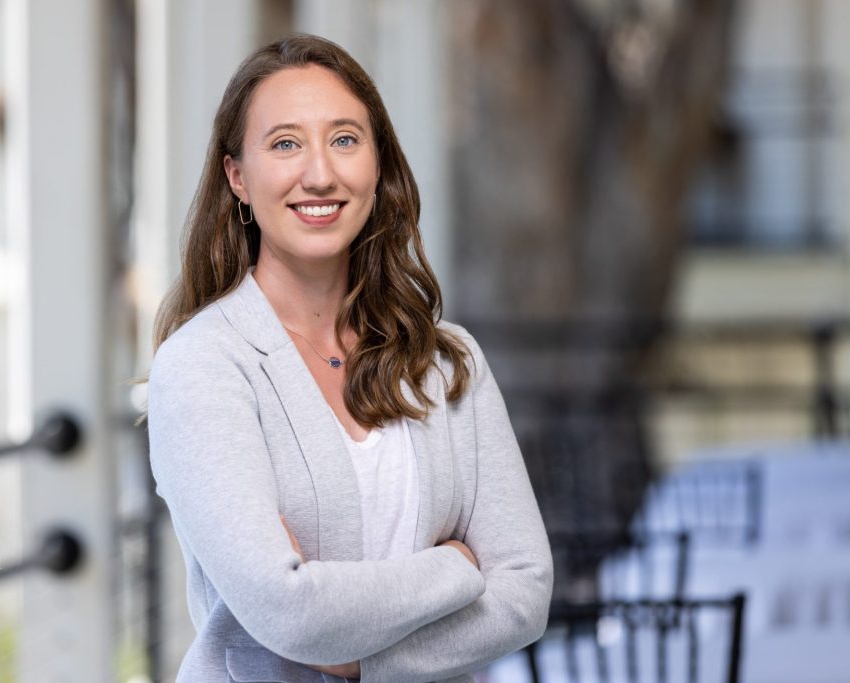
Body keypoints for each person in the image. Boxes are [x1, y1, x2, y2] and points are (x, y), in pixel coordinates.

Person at [146, 33, 553, 682]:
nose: (320, 173)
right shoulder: (202, 368)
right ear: (237, 177)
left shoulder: (447, 363)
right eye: (285, 143)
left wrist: (354, 654)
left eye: (344, 139)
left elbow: (526, 592)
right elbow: (290, 613)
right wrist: (457, 566)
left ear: (377, 164)